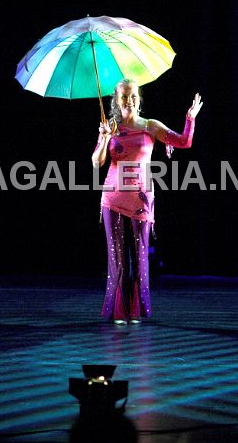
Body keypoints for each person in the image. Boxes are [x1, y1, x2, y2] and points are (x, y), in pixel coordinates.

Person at [92, 78, 202, 325]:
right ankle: (119, 310)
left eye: (133, 96)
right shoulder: (110, 127)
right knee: (118, 258)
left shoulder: (151, 126)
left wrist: (190, 119)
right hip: (113, 198)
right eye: (124, 96)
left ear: (139, 99)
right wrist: (105, 137)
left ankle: (136, 310)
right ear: (116, 101)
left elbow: (183, 142)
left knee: (140, 256)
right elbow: (96, 162)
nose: (129, 100)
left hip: (141, 199)